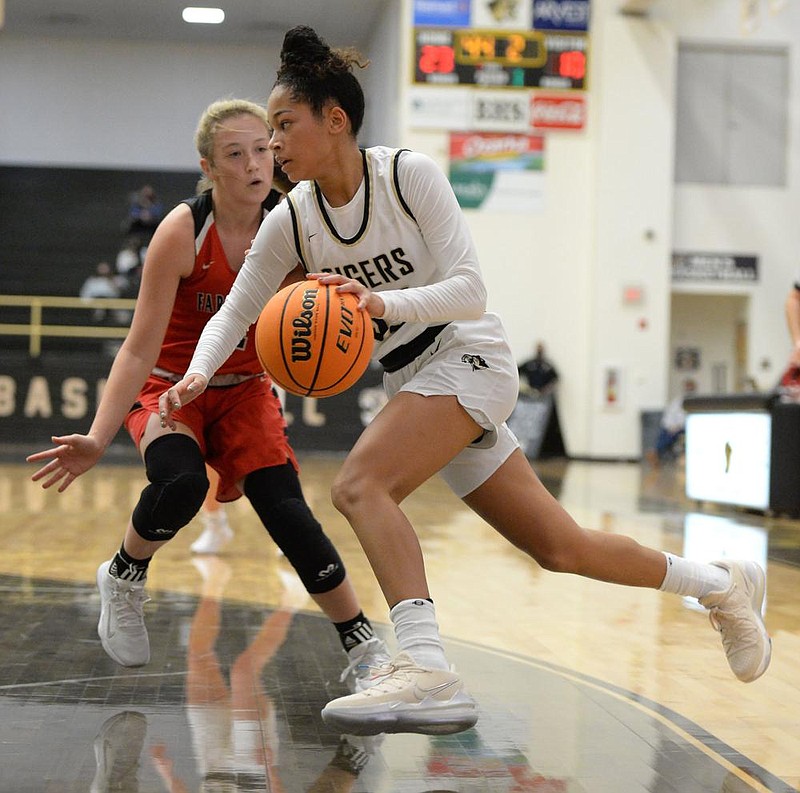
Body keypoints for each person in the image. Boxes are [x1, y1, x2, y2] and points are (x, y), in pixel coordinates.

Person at [157, 27, 772, 737]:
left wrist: (378, 302)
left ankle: (426, 665)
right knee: (560, 545)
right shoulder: (293, 218)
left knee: (360, 485)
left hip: (470, 354)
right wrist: (197, 373)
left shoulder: (405, 176)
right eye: (268, 132)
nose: (275, 145)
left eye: (284, 126)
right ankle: (722, 584)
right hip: (414, 377)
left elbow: (471, 290)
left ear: (336, 119)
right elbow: (239, 307)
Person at [26, 98, 389, 689]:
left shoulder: (297, 224)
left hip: (246, 389)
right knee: (183, 482)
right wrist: (97, 436)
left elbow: (324, 310)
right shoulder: (184, 230)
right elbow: (139, 348)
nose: (254, 163)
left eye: (263, 149)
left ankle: (362, 642)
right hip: (171, 387)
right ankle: (124, 573)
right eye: (234, 153)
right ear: (209, 167)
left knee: (287, 511)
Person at [645, 378, 696, 468]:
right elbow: (669, 416)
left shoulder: (697, 401)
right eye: (687, 387)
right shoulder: (677, 401)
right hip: (674, 428)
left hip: (688, 428)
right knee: (665, 433)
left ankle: (656, 452)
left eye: (690, 387)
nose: (689, 389)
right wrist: (671, 426)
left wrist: (679, 426)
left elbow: (690, 418)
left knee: (673, 434)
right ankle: (655, 453)